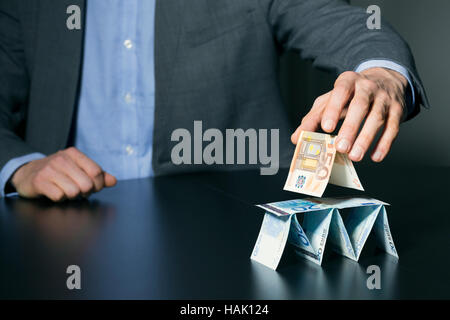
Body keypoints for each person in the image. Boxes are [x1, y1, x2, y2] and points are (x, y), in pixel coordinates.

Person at [0, 0, 428, 201]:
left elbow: (344, 22)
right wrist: (20, 165)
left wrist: (383, 75)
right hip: (59, 234)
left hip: (230, 231)